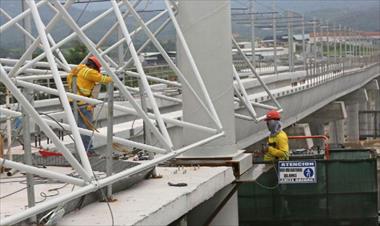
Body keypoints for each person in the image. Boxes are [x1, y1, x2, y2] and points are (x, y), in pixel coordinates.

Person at [67, 56, 112, 153]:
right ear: (93, 66)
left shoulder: (77, 69)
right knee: (86, 128)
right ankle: (88, 150)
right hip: (83, 104)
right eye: (96, 69)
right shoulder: (89, 72)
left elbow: (69, 78)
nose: (96, 71)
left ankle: (81, 150)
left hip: (72, 101)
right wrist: (115, 78)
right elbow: (103, 79)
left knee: (79, 126)